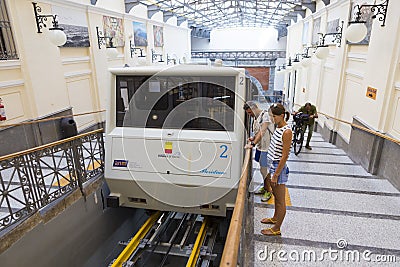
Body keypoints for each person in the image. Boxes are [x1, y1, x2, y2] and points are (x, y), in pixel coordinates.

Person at [260, 103, 292, 236]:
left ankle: (276, 228)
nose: (272, 119)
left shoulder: (287, 131)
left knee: (280, 201)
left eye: (274, 116)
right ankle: (274, 218)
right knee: (275, 197)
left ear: (282, 116)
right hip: (273, 166)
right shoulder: (278, 127)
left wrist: (276, 175)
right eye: (271, 116)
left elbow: (285, 156)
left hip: (278, 168)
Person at [243, 101, 274, 202]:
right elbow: (258, 133)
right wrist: (253, 138)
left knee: (265, 170)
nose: (249, 115)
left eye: (250, 112)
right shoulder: (256, 118)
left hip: (266, 148)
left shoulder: (265, 116)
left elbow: (263, 131)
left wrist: (252, 144)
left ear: (254, 108)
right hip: (261, 147)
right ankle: (265, 187)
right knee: (262, 169)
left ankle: (269, 191)